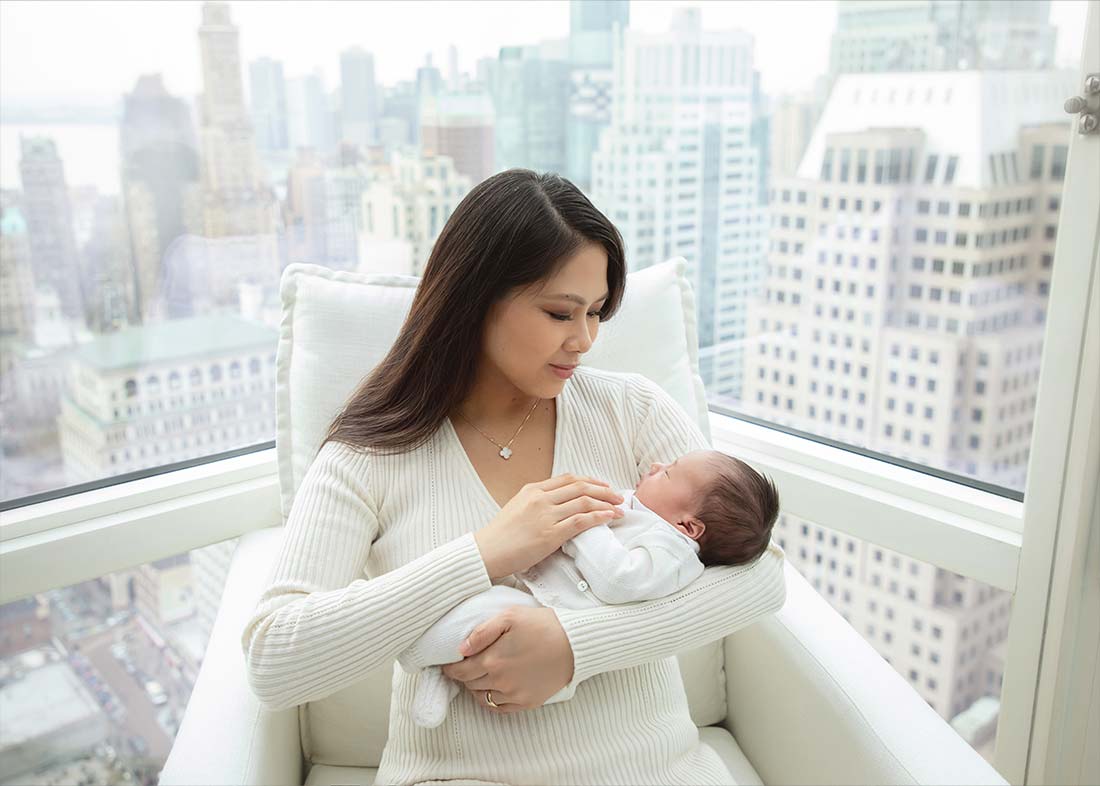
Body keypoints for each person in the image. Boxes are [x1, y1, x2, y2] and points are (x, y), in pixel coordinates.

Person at [240, 169, 787, 785]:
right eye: (560, 313)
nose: (583, 341)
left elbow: (762, 577)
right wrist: (482, 553)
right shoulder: (365, 459)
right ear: (475, 300)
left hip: (653, 769)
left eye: (598, 313)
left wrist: (574, 645)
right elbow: (274, 660)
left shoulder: (630, 410)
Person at [398, 448, 781, 729]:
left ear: (689, 527)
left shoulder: (673, 551)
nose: (655, 464)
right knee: (478, 605)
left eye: (667, 474)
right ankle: (443, 675)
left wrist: (583, 523)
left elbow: (619, 579)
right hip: (533, 591)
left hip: (552, 613)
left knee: (485, 614)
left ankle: (418, 654)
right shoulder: (644, 509)